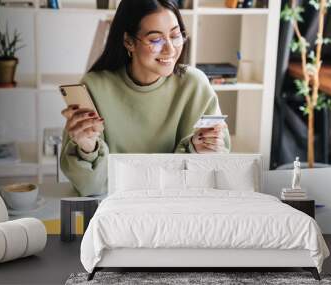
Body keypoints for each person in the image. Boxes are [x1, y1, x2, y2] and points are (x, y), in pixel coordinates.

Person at [60, 0, 231, 196]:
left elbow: (212, 175)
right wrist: (88, 149)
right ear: (129, 42)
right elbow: (90, 188)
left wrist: (203, 149)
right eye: (156, 40)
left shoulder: (195, 84)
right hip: (115, 210)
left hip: (177, 208)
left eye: (175, 36)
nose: (170, 50)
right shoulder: (95, 86)